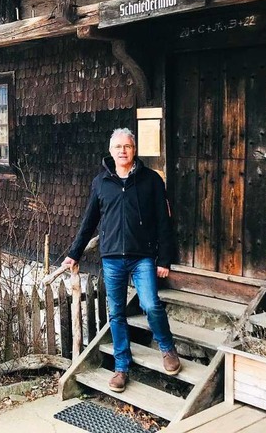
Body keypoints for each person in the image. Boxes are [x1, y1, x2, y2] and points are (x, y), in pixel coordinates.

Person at [61, 128, 180, 393]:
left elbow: (163, 221)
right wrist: (74, 252)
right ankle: (121, 367)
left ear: (134, 150)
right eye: (118, 147)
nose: (123, 151)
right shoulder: (101, 182)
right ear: (111, 150)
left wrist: (164, 259)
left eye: (127, 146)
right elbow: (89, 220)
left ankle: (167, 348)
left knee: (150, 304)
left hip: (143, 257)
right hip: (113, 258)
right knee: (116, 313)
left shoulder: (151, 180)